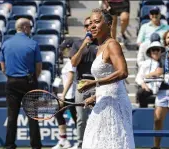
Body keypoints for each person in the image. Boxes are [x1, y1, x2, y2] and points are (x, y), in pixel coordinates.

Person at [78, 8, 135, 149]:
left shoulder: (112, 45)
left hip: (115, 104)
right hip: (104, 100)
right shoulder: (99, 48)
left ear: (109, 24)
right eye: (90, 23)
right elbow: (108, 79)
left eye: (97, 22)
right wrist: (96, 96)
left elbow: (123, 72)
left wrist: (95, 83)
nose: (92, 26)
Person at [0, 18, 42, 149]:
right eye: (29, 27)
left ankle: (9, 145)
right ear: (24, 27)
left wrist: (12, 77)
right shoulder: (33, 44)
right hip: (28, 82)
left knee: (11, 116)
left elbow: (2, 67)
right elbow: (38, 67)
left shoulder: (6, 43)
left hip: (11, 82)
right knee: (33, 117)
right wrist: (32, 79)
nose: (30, 29)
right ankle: (35, 146)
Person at [69, 17, 98, 149]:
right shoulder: (77, 44)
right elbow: (74, 63)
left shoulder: (101, 44)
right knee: (81, 118)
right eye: (87, 25)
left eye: (92, 25)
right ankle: (80, 145)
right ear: (84, 28)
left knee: (99, 118)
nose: (90, 28)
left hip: (98, 84)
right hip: (81, 85)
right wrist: (83, 46)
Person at [146, 30, 169, 149]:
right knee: (157, 119)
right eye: (168, 38)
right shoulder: (163, 55)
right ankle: (156, 147)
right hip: (163, 90)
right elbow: (160, 70)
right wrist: (151, 74)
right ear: (165, 41)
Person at [52, 48, 77, 149]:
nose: (63, 50)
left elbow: (70, 80)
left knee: (77, 119)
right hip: (66, 95)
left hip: (72, 95)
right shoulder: (68, 62)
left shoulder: (72, 62)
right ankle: (63, 141)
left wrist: (62, 95)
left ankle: (82, 142)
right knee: (58, 114)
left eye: (65, 48)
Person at [135, 41, 165, 108]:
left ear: (161, 51)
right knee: (141, 93)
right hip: (149, 88)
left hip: (162, 88)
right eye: (153, 50)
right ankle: (143, 113)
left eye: (157, 50)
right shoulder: (145, 63)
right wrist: (143, 84)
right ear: (150, 52)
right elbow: (139, 77)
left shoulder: (165, 64)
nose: (155, 52)